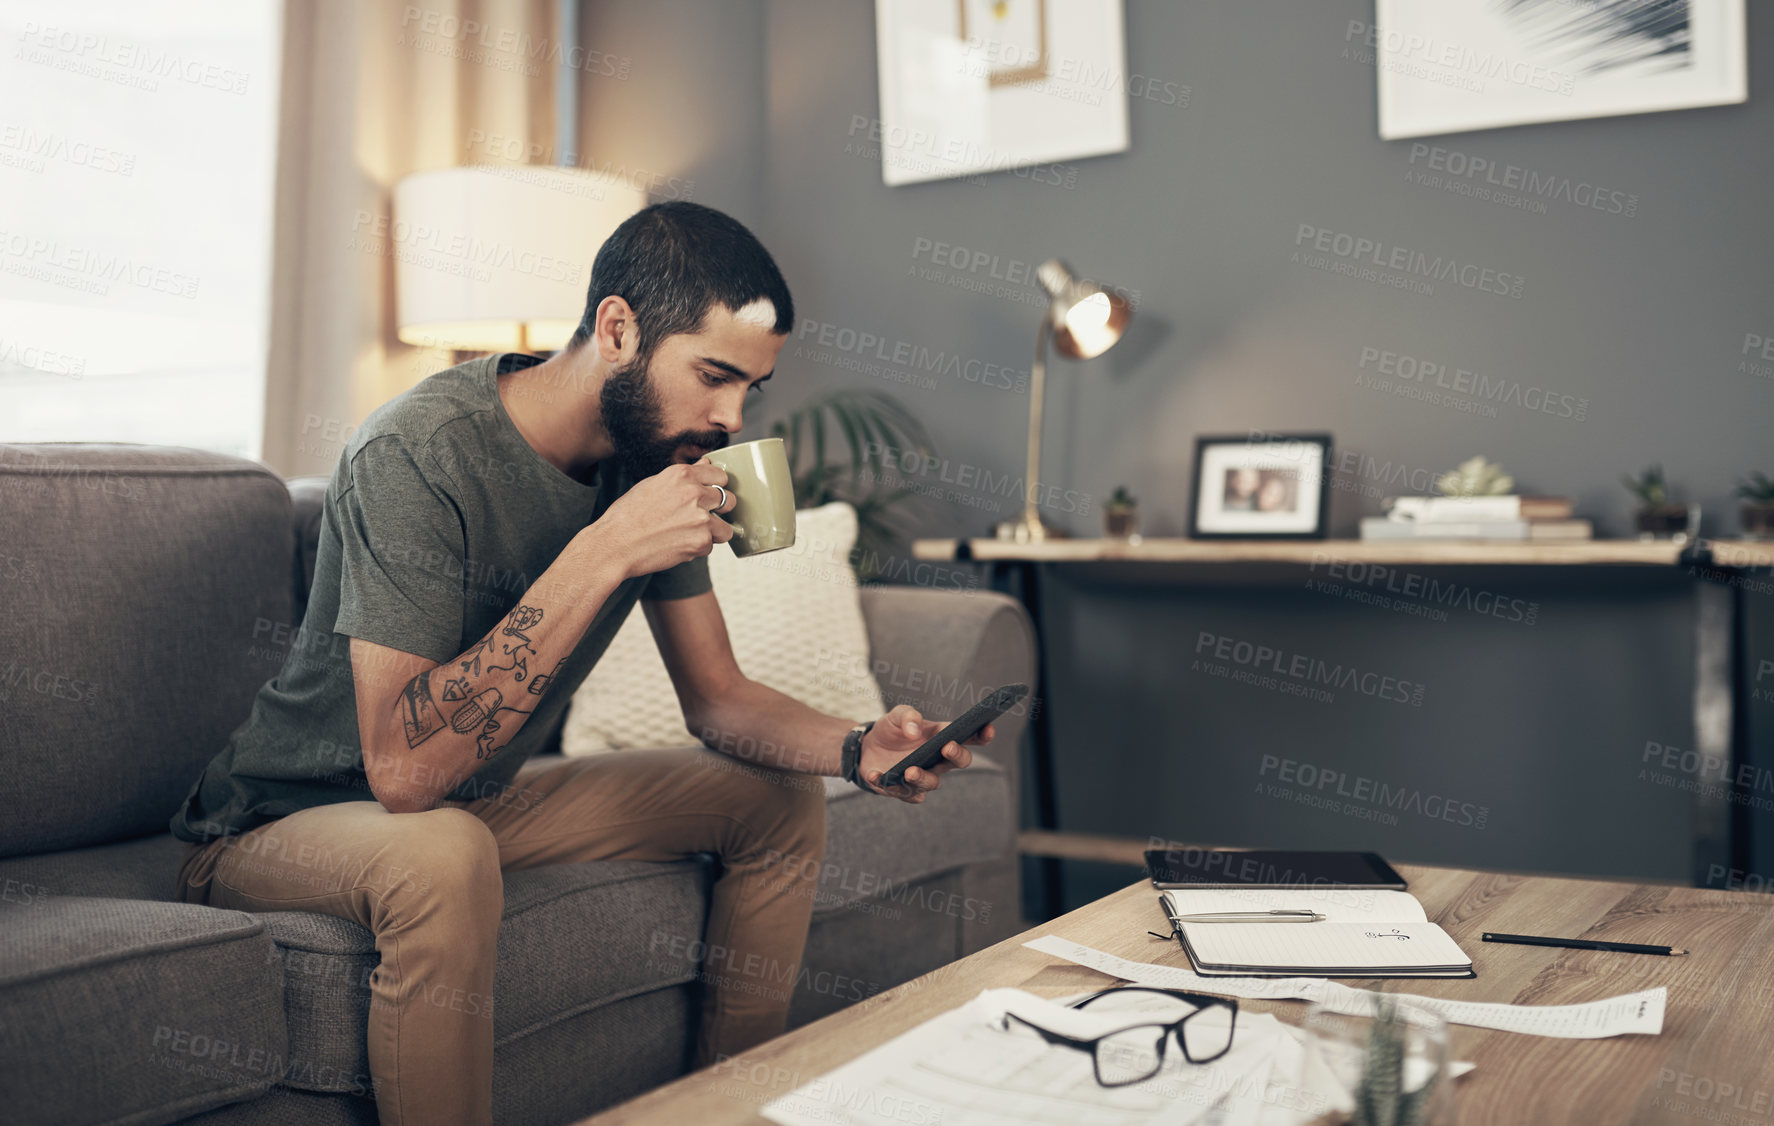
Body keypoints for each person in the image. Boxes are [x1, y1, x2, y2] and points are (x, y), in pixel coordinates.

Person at [168, 201, 991, 1126]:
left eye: (751, 389)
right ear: (616, 328)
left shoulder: (655, 459)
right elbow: (402, 774)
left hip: (470, 800)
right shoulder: (418, 452)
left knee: (773, 797)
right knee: (440, 852)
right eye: (714, 375)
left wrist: (859, 746)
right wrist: (605, 551)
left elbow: (717, 700)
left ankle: (731, 1111)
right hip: (286, 820)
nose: (730, 418)